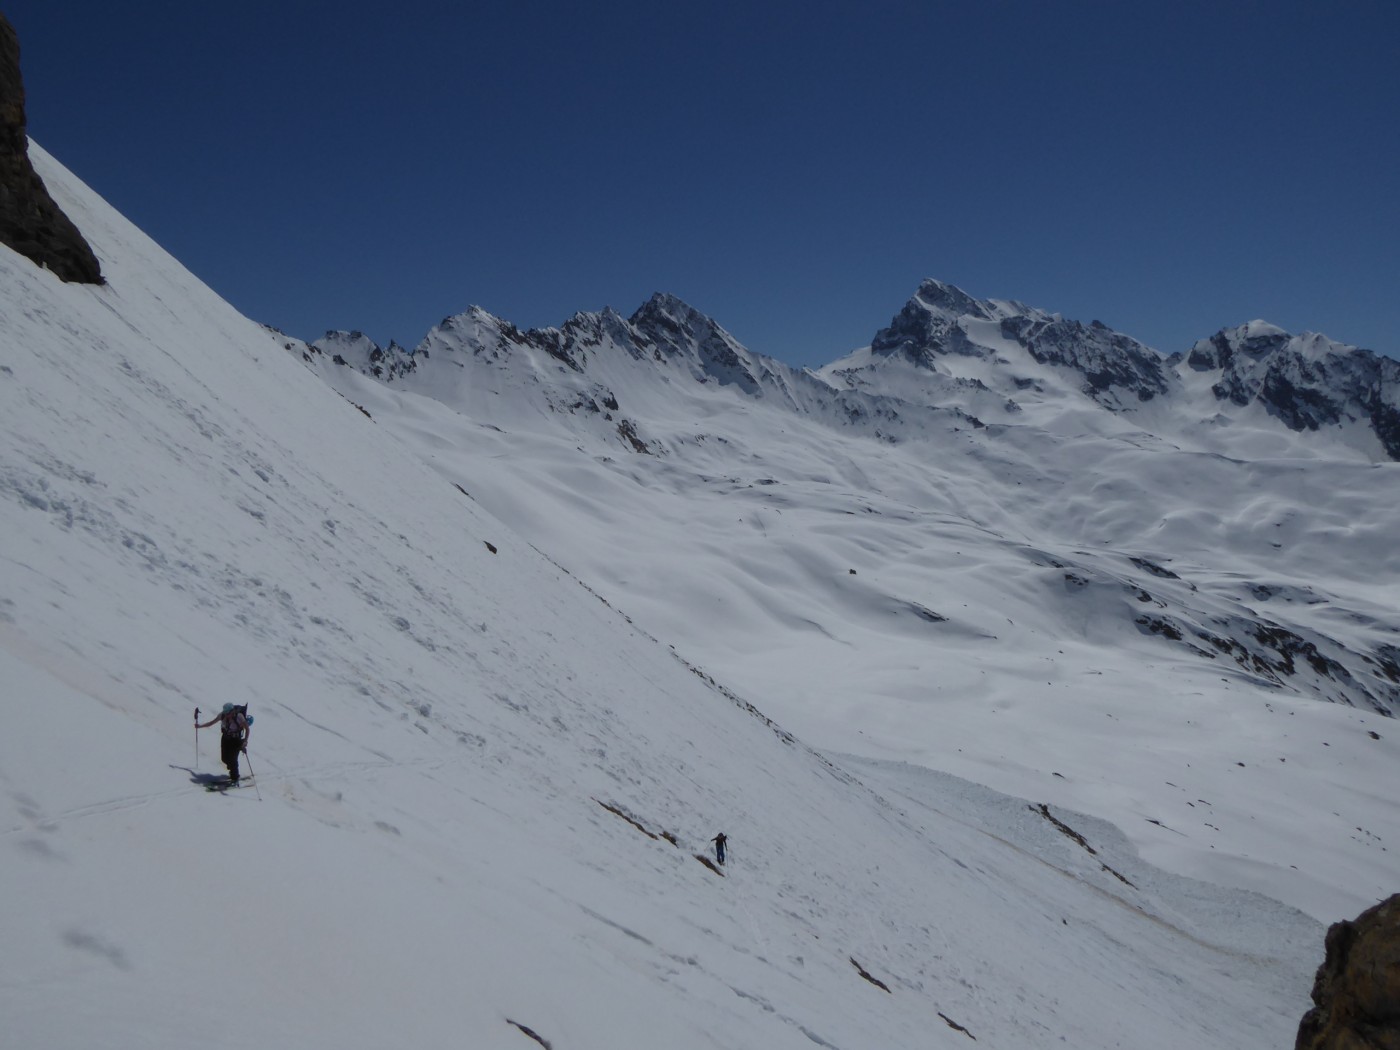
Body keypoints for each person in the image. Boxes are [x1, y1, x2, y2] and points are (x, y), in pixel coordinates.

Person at [197, 703, 250, 783]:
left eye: (228, 713)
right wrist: (199, 726)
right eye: (225, 713)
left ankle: (235, 777)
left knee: (233, 759)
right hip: (226, 738)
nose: (226, 715)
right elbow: (211, 723)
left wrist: (245, 741)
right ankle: (232, 768)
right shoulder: (222, 715)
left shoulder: (239, 716)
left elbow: (247, 729)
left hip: (236, 740)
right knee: (224, 759)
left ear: (232, 711)